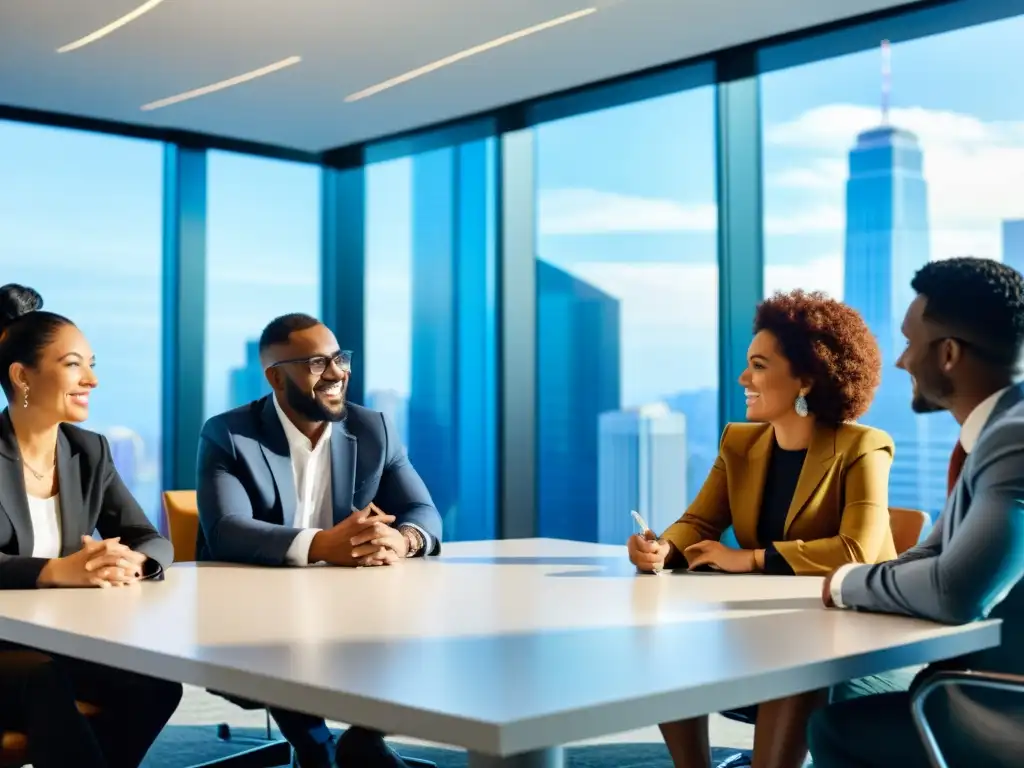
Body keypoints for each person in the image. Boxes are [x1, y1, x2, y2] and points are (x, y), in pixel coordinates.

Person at [628, 290, 901, 768]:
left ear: (806, 379)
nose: (743, 378)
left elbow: (856, 550)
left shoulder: (864, 446)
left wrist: (751, 558)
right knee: (667, 647)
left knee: (791, 666)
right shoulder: (740, 442)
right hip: (769, 631)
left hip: (860, 646)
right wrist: (664, 547)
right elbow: (699, 522)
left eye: (759, 365)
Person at [196, 313, 443, 768]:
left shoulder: (374, 430)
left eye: (339, 358)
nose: (337, 373)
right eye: (315, 363)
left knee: (425, 625)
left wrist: (402, 540)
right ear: (275, 376)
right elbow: (226, 530)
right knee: (292, 643)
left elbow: (424, 513)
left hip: (353, 610)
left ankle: (364, 739)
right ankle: (315, 750)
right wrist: (323, 545)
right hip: (254, 617)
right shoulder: (230, 434)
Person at [809, 257, 1024, 768]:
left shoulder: (1014, 439)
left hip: (1001, 709)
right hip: (980, 681)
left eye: (910, 343)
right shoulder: (995, 433)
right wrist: (866, 576)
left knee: (836, 725)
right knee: (843, 692)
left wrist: (844, 584)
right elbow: (936, 551)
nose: (901, 362)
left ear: (948, 353)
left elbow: (955, 591)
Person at [0, 284, 182, 768]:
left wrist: (133, 560)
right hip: (15, 649)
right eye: (73, 365)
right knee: (42, 680)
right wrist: (57, 571)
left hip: (54, 638)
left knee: (155, 683)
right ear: (22, 376)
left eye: (91, 364)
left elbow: (152, 538)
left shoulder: (89, 451)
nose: (91, 381)